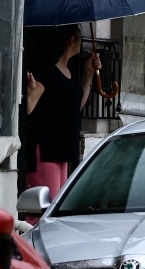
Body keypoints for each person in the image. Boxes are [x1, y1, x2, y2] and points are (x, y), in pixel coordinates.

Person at [23, 24, 100, 198]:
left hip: (62, 150)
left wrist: (88, 74)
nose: (81, 41)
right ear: (72, 40)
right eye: (79, 36)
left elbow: (75, 108)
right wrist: (30, 92)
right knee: (43, 210)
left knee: (55, 205)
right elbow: (27, 108)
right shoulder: (47, 73)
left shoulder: (69, 72)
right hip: (46, 151)